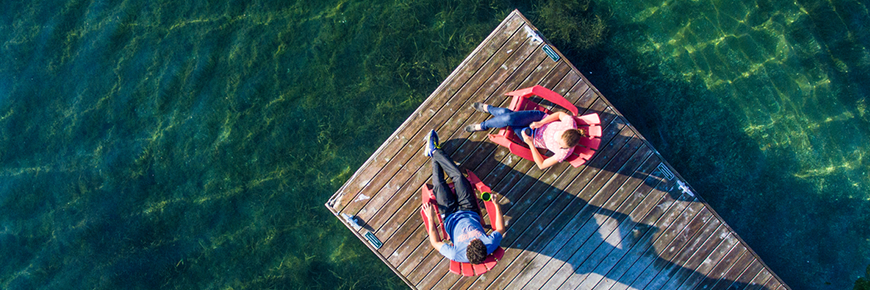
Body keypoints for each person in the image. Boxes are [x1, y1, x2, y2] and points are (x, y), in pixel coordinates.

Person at [421, 129, 505, 264]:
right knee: (459, 177)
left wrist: (431, 217)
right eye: (477, 239)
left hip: (449, 216)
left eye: (471, 242)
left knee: (439, 185)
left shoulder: (456, 254)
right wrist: (497, 206)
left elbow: (435, 242)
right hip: (469, 209)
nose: (473, 238)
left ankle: (435, 152)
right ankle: (434, 151)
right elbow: (501, 229)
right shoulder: (489, 244)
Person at [465, 102, 587, 169]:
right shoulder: (570, 124)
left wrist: (530, 143)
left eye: (560, 145)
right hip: (538, 119)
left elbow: (541, 165)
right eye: (560, 141)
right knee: (508, 117)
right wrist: (541, 123)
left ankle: (489, 111)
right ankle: (484, 125)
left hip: (531, 136)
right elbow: (560, 114)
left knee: (508, 116)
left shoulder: (564, 152)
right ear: (566, 131)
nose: (558, 145)